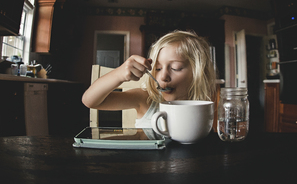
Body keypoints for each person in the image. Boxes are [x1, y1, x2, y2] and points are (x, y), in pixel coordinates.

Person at [82, 30, 217, 128]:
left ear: (198, 73)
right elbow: (90, 101)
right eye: (157, 69)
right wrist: (118, 74)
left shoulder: (204, 105)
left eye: (175, 68)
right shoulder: (145, 100)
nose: (163, 76)